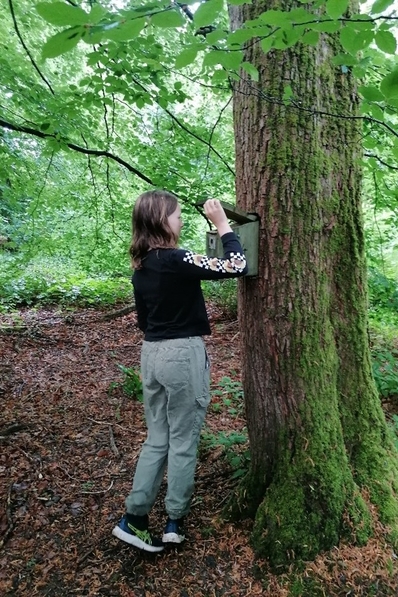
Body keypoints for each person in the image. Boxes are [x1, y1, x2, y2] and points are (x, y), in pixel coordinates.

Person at [112, 190, 248, 552]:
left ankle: (135, 518)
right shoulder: (176, 258)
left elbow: (143, 320)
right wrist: (222, 226)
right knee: (184, 439)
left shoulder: (140, 267)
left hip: (151, 355)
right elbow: (237, 265)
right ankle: (174, 520)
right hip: (181, 354)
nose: (181, 220)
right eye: (175, 215)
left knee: (157, 438)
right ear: (160, 220)